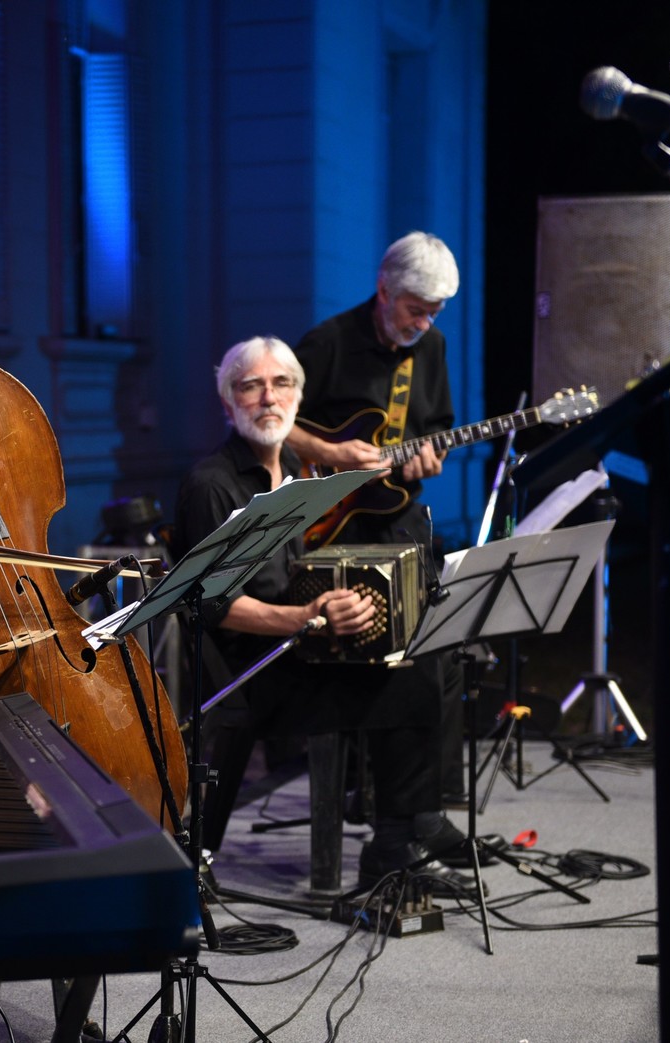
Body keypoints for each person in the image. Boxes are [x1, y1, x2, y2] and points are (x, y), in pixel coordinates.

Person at [173, 337, 476, 895]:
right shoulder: (212, 484)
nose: (269, 397)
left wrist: (346, 604)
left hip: (303, 645)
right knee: (406, 679)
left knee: (431, 646)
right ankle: (395, 845)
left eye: (281, 384)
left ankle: (416, 822)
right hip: (253, 668)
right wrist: (306, 617)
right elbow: (211, 606)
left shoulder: (296, 467)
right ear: (228, 402)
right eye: (251, 386)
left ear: (298, 396)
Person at [282, 230, 472, 884]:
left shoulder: (432, 349)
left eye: (434, 313)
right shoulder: (328, 342)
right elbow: (276, 423)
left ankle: (425, 810)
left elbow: (433, 432)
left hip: (397, 519)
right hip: (331, 529)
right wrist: (331, 454)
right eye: (416, 309)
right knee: (404, 655)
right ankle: (397, 826)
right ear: (384, 290)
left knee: (446, 643)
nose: (424, 324)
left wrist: (428, 456)